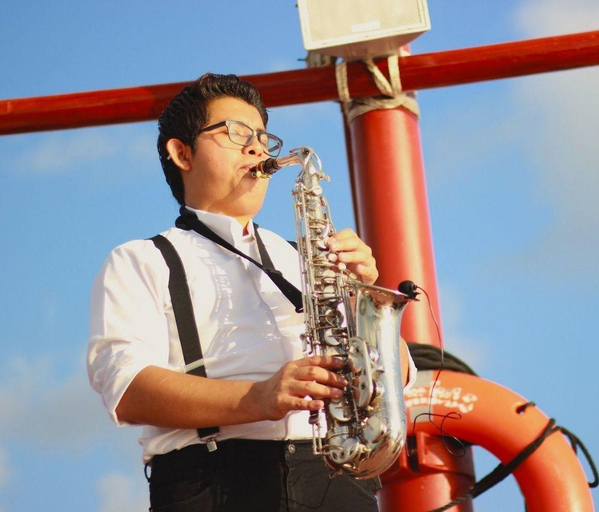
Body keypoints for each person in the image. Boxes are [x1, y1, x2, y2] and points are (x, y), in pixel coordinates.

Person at [87, 73, 415, 512]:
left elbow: (398, 376)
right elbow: (126, 389)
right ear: (181, 153)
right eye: (235, 133)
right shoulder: (140, 259)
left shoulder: (308, 254)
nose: (257, 149)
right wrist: (257, 397)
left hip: (338, 480)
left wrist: (360, 297)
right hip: (214, 481)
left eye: (262, 137)